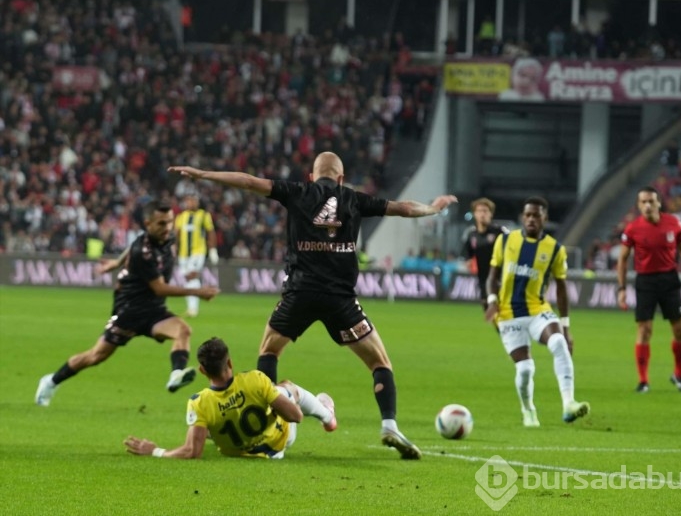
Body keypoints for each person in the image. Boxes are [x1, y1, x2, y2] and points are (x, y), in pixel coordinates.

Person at [168, 151, 458, 459]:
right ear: (341, 178)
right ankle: (389, 424)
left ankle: (265, 426)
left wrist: (204, 174)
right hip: (341, 299)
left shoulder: (297, 192)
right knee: (379, 363)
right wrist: (432, 209)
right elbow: (402, 208)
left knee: (269, 351)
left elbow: (249, 182)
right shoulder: (354, 198)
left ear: (311, 176)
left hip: (300, 294)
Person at [35, 200, 220, 407]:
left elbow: (130, 249)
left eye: (169, 222)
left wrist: (115, 262)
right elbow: (159, 288)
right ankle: (50, 381)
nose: (167, 228)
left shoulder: (166, 238)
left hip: (154, 310)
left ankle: (176, 374)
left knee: (183, 330)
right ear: (148, 224)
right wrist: (197, 291)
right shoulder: (144, 251)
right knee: (96, 356)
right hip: (129, 311)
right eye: (161, 224)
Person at [124, 337, 336, 459]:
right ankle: (327, 416)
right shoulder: (255, 379)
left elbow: (192, 451)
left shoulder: (199, 402)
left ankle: (228, 427)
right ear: (230, 363)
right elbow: (296, 417)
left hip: (239, 451)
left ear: (202, 370)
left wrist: (155, 451)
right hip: (278, 443)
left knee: (204, 424)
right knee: (287, 388)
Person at [485, 196, 589, 428]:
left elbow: (561, 289)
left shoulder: (555, 249)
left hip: (537, 310)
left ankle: (569, 403)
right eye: (528, 215)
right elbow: (492, 277)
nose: (531, 219)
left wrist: (566, 326)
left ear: (545, 218)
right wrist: (492, 300)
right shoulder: (505, 241)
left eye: (537, 215)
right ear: (523, 217)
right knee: (524, 369)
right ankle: (528, 409)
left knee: (559, 343)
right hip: (508, 314)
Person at [616, 186, 681, 394]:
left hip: (669, 279)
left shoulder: (673, 224)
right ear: (638, 205)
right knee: (645, 330)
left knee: (680, 329)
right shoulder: (632, 229)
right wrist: (622, 288)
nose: (648, 205)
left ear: (659, 203)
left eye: (651, 201)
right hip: (645, 281)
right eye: (643, 202)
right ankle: (643, 381)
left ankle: (679, 374)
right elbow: (623, 259)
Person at [461, 197, 509, 311]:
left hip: (501, 278)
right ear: (474, 214)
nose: (482, 214)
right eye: (479, 211)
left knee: (502, 312)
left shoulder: (500, 232)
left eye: (485, 211)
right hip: (483, 280)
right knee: (488, 311)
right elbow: (467, 255)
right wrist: (468, 262)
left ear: (491, 214)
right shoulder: (471, 234)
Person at [174, 194, 219, 317]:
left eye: (193, 201)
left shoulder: (204, 215)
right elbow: (176, 234)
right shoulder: (181, 217)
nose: (191, 203)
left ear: (197, 202)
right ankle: (191, 307)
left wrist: (213, 249)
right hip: (183, 253)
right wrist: (173, 247)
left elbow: (210, 232)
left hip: (197, 251)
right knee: (187, 279)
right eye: (188, 201)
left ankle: (193, 309)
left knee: (191, 276)